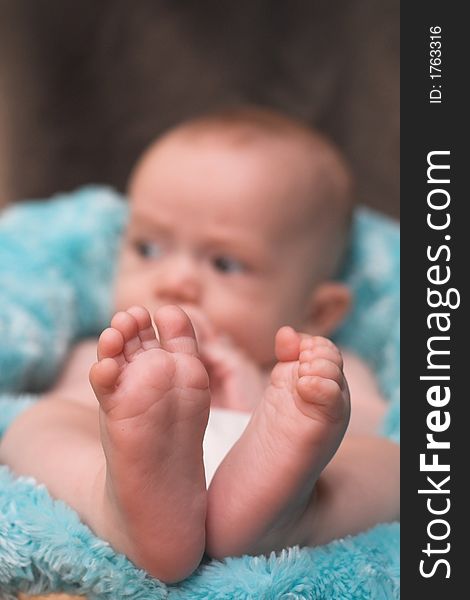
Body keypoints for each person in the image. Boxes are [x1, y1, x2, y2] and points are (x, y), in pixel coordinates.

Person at [0, 107, 399, 583]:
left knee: (395, 462)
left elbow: (380, 424)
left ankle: (291, 513)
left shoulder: (312, 368)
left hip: (289, 479)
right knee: (39, 424)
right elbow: (64, 406)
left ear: (318, 311)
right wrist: (121, 407)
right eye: (148, 249)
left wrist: (263, 402)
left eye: (224, 264)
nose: (175, 281)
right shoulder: (109, 353)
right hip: (127, 472)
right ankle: (114, 505)